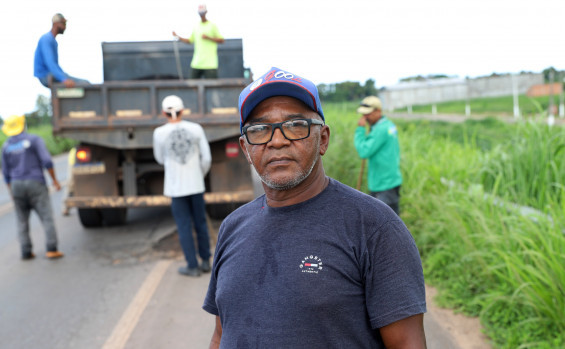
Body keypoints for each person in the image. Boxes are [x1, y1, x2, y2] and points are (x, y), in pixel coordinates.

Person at [203, 67, 427, 348]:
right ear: (246, 148)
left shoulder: (374, 227)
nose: (277, 140)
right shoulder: (233, 227)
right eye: (259, 130)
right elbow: (222, 334)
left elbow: (407, 343)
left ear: (322, 139)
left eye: (296, 125)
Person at [152, 95, 212, 277]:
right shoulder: (196, 129)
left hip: (176, 188)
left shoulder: (159, 133)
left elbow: (160, 158)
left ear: (163, 113)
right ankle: (205, 262)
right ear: (183, 110)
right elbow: (207, 158)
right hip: (196, 185)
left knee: (183, 226)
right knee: (200, 222)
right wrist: (198, 175)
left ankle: (192, 266)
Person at [1, 115, 64, 260]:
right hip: (35, 183)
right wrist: (54, 180)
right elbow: (47, 161)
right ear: (22, 125)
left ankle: (26, 251)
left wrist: (11, 191)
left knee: (21, 220)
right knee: (46, 216)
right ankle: (52, 249)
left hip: (16, 185)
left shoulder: (6, 147)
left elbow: (5, 173)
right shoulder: (34, 140)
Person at [354, 96, 403, 215]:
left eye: (368, 114)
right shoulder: (388, 125)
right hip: (389, 180)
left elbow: (364, 151)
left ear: (378, 111)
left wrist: (360, 130)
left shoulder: (381, 130)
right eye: (363, 115)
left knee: (382, 222)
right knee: (391, 220)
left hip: (384, 184)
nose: (365, 118)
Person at [34, 13, 89, 88]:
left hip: (52, 74)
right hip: (46, 75)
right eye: (63, 24)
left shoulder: (53, 41)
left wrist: (64, 76)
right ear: (56, 24)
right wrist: (64, 79)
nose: (65, 27)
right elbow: (50, 63)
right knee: (84, 84)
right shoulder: (46, 39)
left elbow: (55, 66)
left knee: (83, 82)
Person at [172, 4, 224, 79]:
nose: (201, 14)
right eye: (200, 13)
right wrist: (177, 36)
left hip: (210, 64)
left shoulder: (212, 26)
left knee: (212, 88)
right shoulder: (196, 26)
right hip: (196, 63)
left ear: (206, 12)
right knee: (192, 86)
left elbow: (222, 40)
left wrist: (208, 37)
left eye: (203, 12)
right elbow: (190, 40)